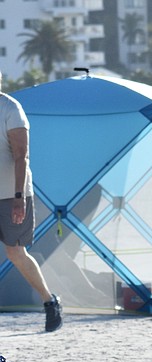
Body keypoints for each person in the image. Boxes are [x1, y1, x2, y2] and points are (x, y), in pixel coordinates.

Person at [0, 70, 62, 332]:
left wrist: (18, 198)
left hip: (11, 194)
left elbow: (21, 155)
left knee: (15, 253)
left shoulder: (11, 108)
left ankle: (49, 301)